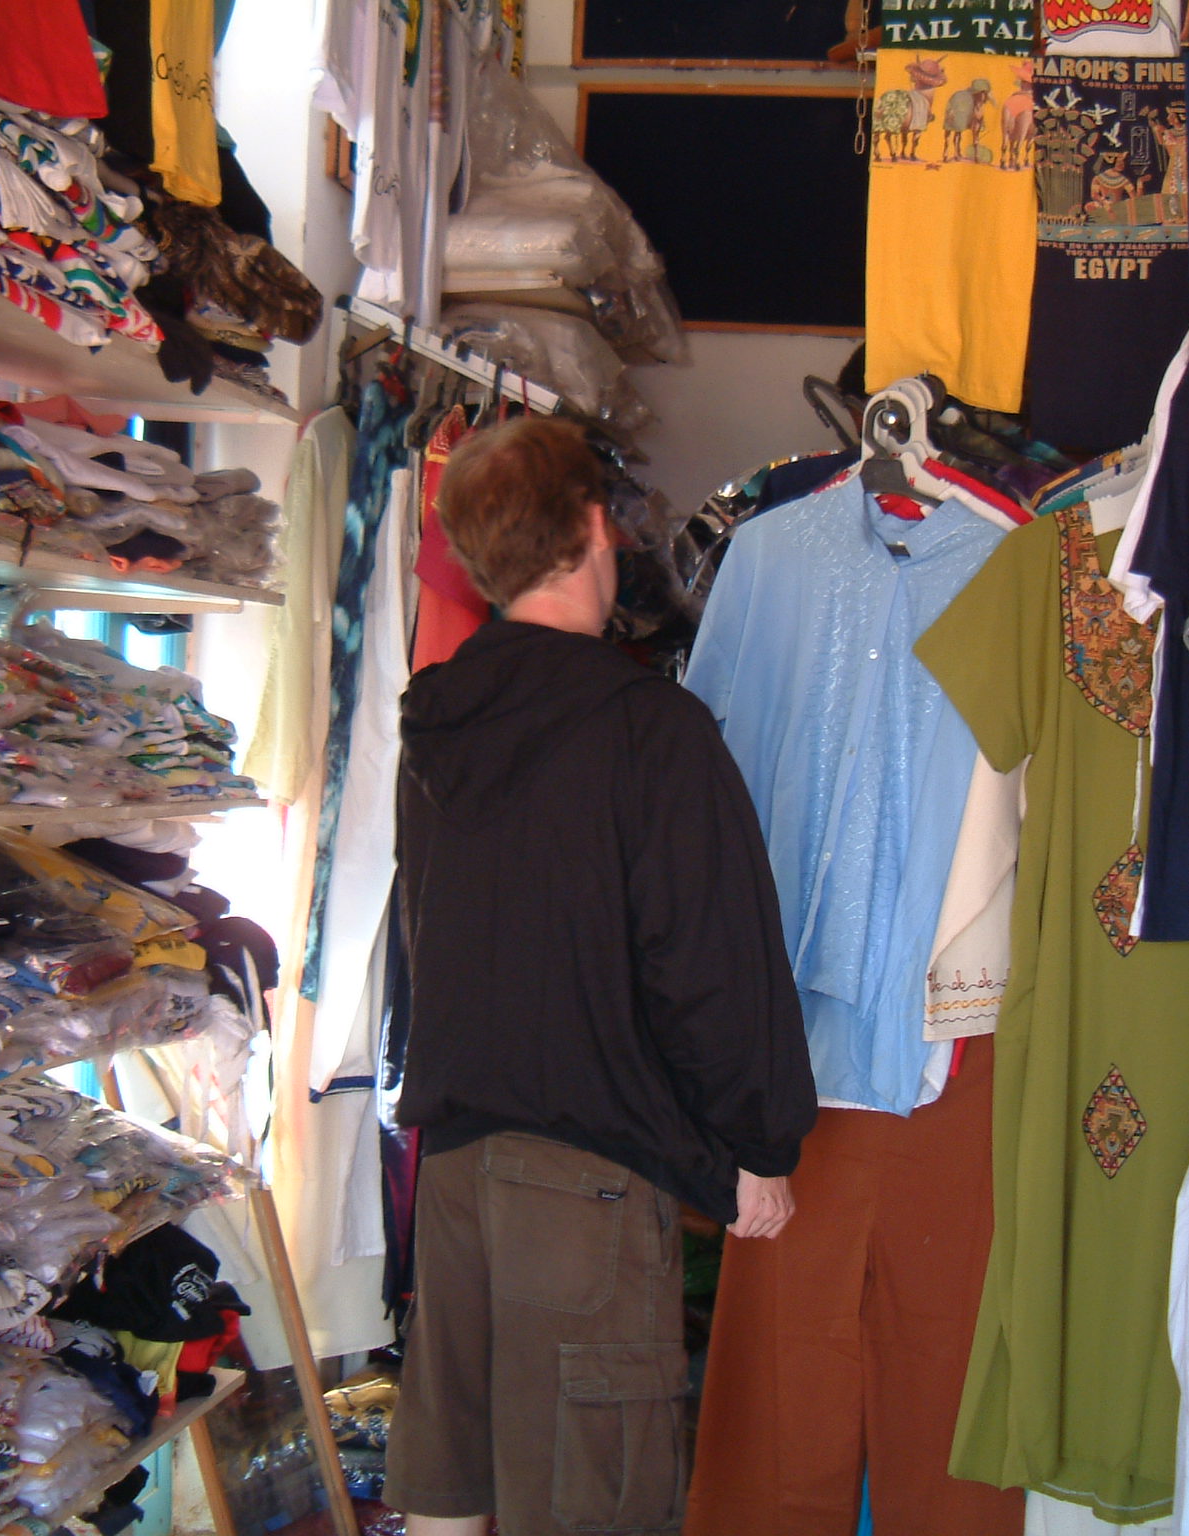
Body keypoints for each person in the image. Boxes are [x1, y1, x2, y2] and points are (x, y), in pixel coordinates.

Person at [382, 415, 818, 1536]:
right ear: (591, 526)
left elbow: (423, 931)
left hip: (452, 1167)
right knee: (590, 1500)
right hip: (584, 1177)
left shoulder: (434, 719)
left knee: (451, 1478)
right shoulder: (648, 728)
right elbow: (708, 955)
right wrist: (758, 1144)